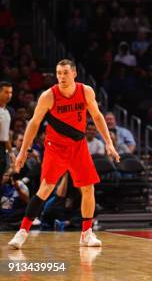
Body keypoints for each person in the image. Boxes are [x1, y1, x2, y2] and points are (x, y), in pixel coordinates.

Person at [8, 59, 120, 249]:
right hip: (55, 146)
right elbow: (34, 124)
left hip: (78, 145)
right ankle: (22, 232)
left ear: (74, 73)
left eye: (65, 73)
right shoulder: (48, 96)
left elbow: (98, 116)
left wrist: (109, 143)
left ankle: (86, 233)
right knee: (45, 188)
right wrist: (23, 152)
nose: (61, 77)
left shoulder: (85, 91)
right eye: (59, 73)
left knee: (88, 188)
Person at [0, 81, 13, 172]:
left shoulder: (7, 112)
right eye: (6, 92)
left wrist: (11, 153)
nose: (9, 95)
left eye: (10, 92)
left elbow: (5, 135)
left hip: (2, 149)